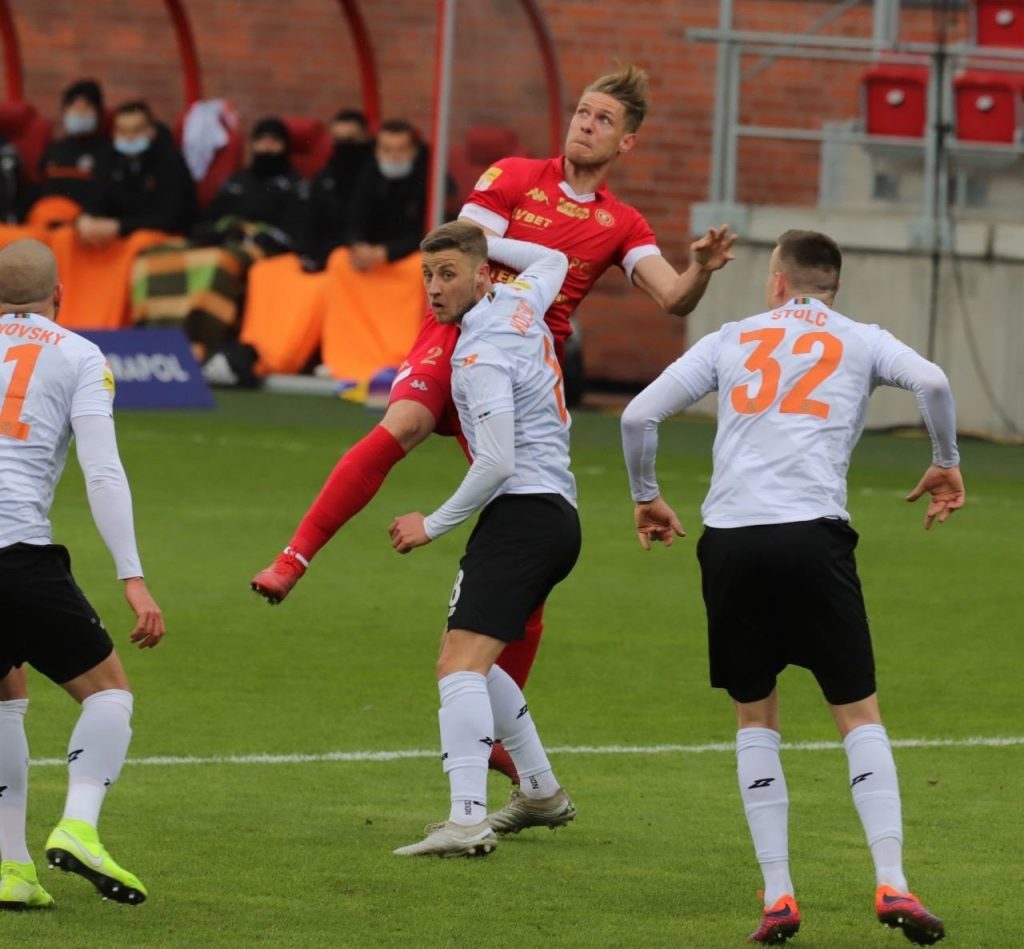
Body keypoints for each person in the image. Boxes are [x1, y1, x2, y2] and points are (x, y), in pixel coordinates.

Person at [251, 65, 735, 695]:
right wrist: (533, 273)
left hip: (529, 371)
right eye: (582, 112)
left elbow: (673, 298)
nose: (586, 126)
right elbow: (464, 243)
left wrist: (700, 270)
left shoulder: (622, 224)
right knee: (405, 423)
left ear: (627, 142)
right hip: (459, 332)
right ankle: (294, 558)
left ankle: (506, 724)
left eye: (604, 120)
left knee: (528, 521)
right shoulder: (514, 175)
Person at [619, 230, 959, 945]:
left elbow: (637, 415)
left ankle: (778, 895)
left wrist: (646, 495)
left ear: (777, 281)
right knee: (858, 715)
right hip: (813, 537)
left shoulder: (731, 337)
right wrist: (945, 458)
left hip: (732, 541)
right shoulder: (861, 338)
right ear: (833, 285)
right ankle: (892, 879)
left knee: (755, 718)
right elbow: (932, 382)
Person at [389, 222, 579, 857]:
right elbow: (553, 257)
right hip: (550, 515)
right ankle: (541, 791)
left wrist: (431, 524)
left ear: (482, 276)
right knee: (473, 658)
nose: (434, 289)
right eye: (428, 276)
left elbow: (496, 461)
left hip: (523, 515)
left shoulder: (478, 356)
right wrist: (482, 237)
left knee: (458, 666)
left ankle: (467, 819)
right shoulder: (522, 299)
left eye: (448, 275)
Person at [0, 239, 165, 909]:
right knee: (108, 694)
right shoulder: (79, 354)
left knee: (6, 694)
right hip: (18, 553)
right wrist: (132, 575)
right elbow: (102, 470)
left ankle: (11, 868)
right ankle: (79, 825)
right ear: (59, 296)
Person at [77, 100, 195, 245]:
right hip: (116, 236)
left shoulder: (170, 160)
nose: (129, 137)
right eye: (123, 131)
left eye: (136, 130)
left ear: (152, 131)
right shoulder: (108, 159)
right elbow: (97, 198)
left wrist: (119, 226)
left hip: (162, 236)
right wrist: (87, 218)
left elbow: (169, 217)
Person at [198, 117, 309, 256]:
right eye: (261, 140)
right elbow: (211, 218)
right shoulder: (236, 182)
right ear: (253, 144)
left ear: (284, 145)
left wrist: (267, 239)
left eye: (274, 140)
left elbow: (297, 231)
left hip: (267, 251)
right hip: (225, 244)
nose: (267, 145)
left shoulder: (295, 186)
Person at [301, 109, 374, 270]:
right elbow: (311, 221)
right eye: (339, 140)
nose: (345, 146)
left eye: (351, 139)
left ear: (366, 137)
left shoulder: (377, 176)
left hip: (366, 254)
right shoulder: (324, 178)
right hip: (327, 254)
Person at [34, 80, 113, 219]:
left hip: (85, 222)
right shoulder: (53, 149)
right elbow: (37, 187)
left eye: (86, 107)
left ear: (98, 113)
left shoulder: (108, 150)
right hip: (44, 219)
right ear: (64, 112)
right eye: (74, 107)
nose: (80, 113)